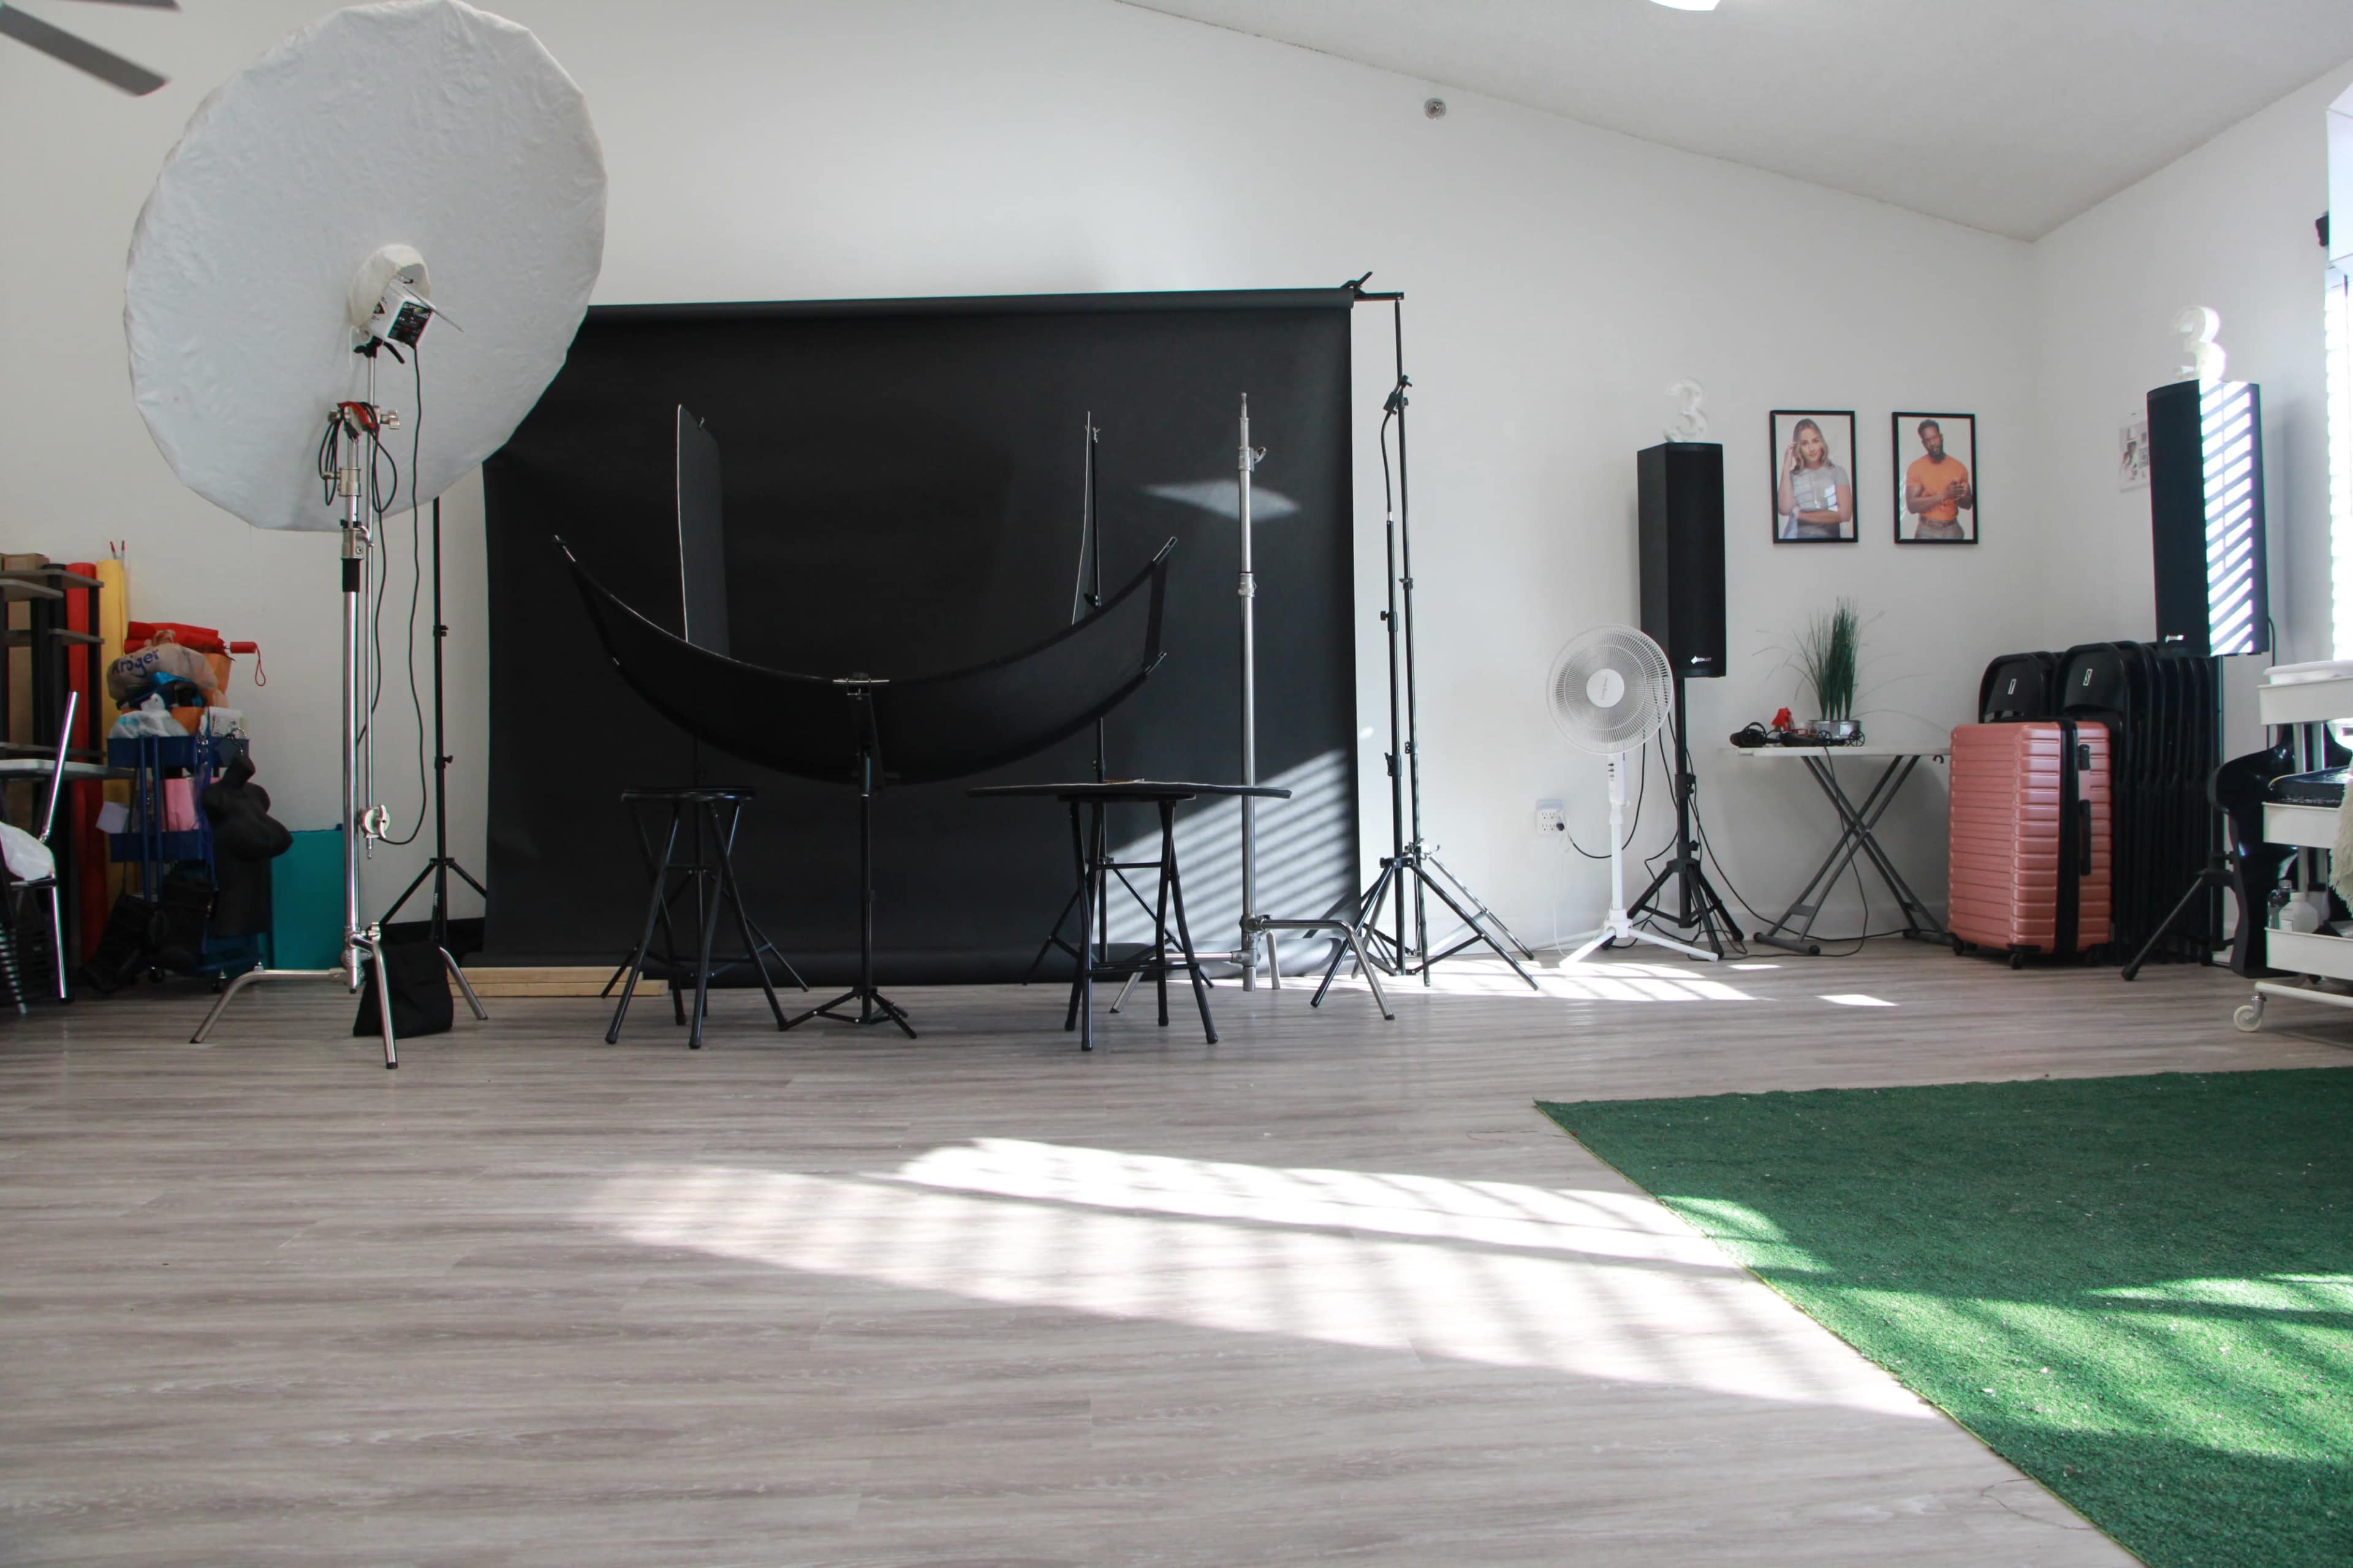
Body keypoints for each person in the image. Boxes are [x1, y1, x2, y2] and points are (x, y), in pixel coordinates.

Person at [1778, 418, 1852, 540]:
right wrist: (1786, 465)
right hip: (1796, 540)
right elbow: (1784, 509)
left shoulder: (1837, 472)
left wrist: (1801, 515)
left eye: (1815, 441)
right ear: (1798, 447)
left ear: (1821, 442)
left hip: (1832, 542)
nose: (1811, 449)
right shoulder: (1792, 476)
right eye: (1805, 443)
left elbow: (1845, 514)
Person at [1903, 418, 1973, 541]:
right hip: (1927, 530)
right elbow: (1912, 506)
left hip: (1954, 529)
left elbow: (1967, 505)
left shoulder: (1959, 467)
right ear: (1923, 444)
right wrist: (1944, 495)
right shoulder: (1916, 467)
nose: (1933, 443)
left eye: (1935, 438)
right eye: (1928, 440)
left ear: (1941, 437)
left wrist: (1965, 494)